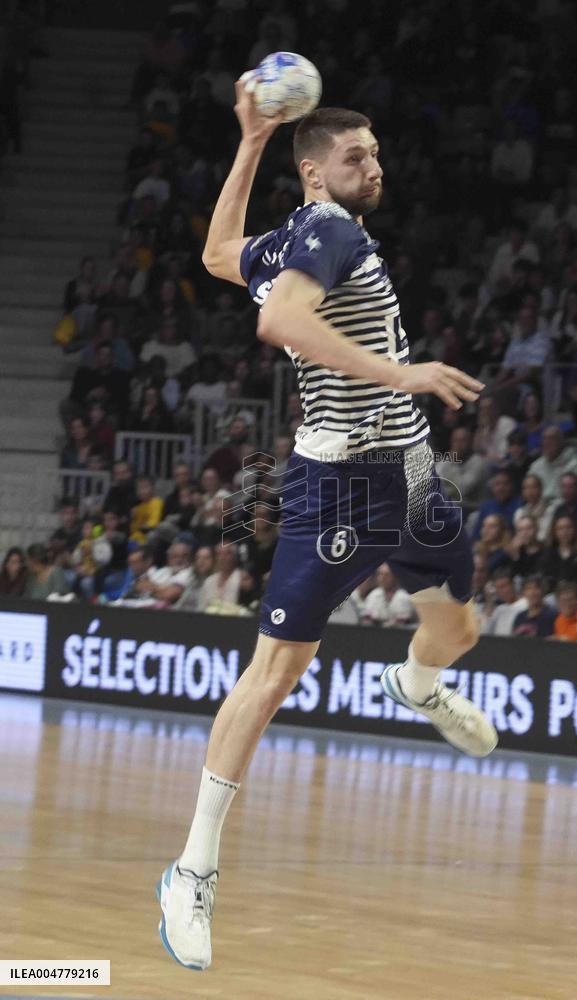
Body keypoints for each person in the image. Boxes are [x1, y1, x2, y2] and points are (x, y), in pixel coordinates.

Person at [156, 86, 497, 970]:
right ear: (314, 174)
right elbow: (277, 321)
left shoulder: (298, 236)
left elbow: (217, 253)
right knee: (274, 675)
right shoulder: (328, 231)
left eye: (374, 153)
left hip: (411, 471)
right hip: (338, 483)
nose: (373, 166)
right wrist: (403, 372)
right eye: (355, 157)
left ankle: (416, 686)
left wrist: (249, 141)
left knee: (458, 631)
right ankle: (192, 871)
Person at [361, 562, 416, 626]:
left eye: (387, 575)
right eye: (380, 574)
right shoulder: (374, 595)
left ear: (395, 577)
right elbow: (367, 622)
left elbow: (401, 625)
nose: (382, 578)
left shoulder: (403, 597)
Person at [483, 569, 527, 636]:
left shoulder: (525, 604)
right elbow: (486, 632)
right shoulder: (499, 609)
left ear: (513, 584)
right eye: (498, 588)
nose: (502, 591)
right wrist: (489, 602)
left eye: (504, 586)